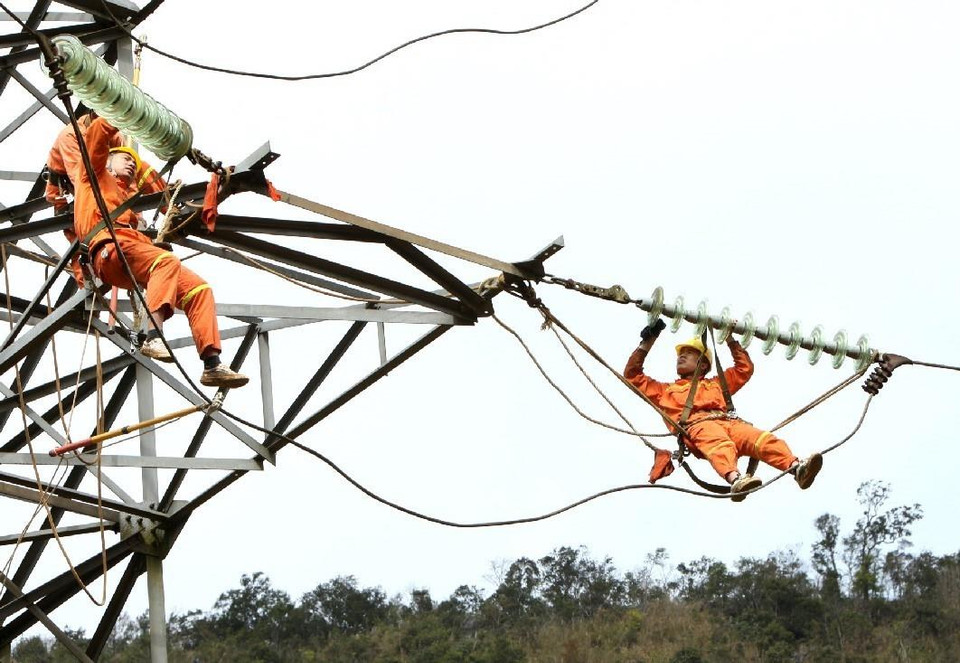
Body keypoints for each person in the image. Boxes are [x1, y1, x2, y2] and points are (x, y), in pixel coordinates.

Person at [71, 115, 248, 389]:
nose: (131, 161)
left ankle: (212, 364)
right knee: (165, 262)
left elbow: (171, 206)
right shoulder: (92, 175)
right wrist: (118, 108)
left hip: (132, 255)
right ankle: (153, 336)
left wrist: (219, 190)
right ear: (107, 159)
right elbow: (97, 135)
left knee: (198, 290)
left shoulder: (129, 201)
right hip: (109, 248)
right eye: (123, 157)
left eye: (133, 159)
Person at [623, 318, 821, 501]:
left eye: (689, 353)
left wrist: (729, 338)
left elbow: (744, 369)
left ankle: (797, 469)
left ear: (703, 365)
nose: (681, 356)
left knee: (762, 439)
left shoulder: (717, 384)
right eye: (681, 354)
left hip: (729, 422)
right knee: (719, 444)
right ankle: (736, 480)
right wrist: (648, 341)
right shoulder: (665, 391)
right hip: (697, 427)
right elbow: (633, 376)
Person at [45, 112, 167, 285]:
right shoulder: (71, 135)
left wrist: (135, 219)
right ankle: (88, 286)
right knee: (83, 244)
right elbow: (81, 178)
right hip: (72, 196)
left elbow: (126, 183)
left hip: (105, 184)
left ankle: (169, 204)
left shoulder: (115, 137)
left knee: (138, 165)